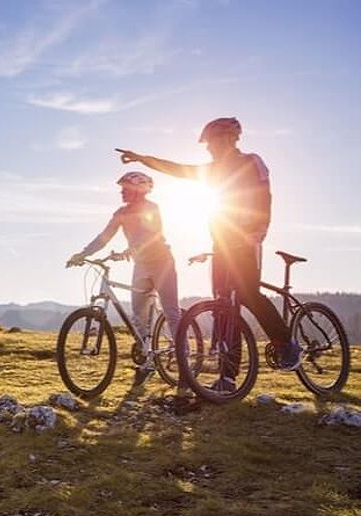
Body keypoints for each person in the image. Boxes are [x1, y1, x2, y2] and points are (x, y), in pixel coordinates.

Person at [115, 117, 301, 393]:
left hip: (248, 240)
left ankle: (286, 344)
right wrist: (144, 159)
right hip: (222, 243)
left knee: (248, 294)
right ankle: (228, 377)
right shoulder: (213, 170)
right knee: (224, 307)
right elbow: (179, 169)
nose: (209, 149)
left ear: (229, 139)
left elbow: (265, 197)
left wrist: (257, 232)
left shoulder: (252, 161)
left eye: (212, 143)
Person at [67, 171, 181, 386]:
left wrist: (131, 249)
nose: (121, 191)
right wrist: (82, 254)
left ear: (139, 191)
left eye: (126, 188)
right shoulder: (121, 213)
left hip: (162, 263)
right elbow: (103, 238)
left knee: (171, 312)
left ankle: (184, 366)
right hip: (141, 265)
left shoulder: (151, 208)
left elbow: (153, 234)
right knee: (138, 315)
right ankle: (146, 359)